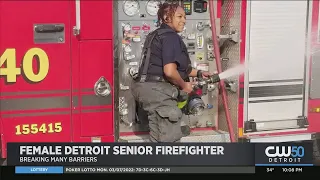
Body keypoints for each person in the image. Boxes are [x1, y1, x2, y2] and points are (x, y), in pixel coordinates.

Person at [131, 2, 212, 142]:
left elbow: (181, 69)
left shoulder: (154, 35)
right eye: (179, 16)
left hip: (145, 88)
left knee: (158, 139)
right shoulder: (171, 37)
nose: (184, 20)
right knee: (169, 142)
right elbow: (169, 71)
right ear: (166, 17)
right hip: (159, 91)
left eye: (185, 17)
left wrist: (199, 73)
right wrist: (183, 85)